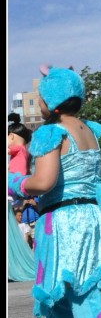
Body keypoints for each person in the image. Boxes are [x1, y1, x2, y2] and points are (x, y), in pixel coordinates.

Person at [9, 67, 101, 318]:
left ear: (52, 100)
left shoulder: (51, 132)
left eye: (41, 98)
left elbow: (44, 182)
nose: (40, 104)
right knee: (62, 299)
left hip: (63, 221)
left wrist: (16, 182)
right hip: (87, 216)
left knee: (80, 296)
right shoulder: (88, 131)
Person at [8, 114, 36, 282]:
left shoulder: (18, 149)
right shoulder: (26, 151)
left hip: (13, 183)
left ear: (11, 136)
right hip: (18, 186)